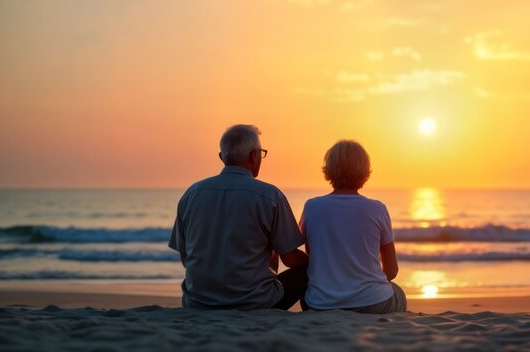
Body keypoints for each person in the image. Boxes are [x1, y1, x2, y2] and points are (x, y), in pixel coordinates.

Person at [169, 124, 309, 310]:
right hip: (255, 303)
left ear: (222, 157)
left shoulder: (191, 194)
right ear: (254, 155)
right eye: (261, 153)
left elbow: (186, 257)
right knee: (307, 272)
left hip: (198, 301)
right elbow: (290, 259)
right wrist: (317, 262)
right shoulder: (270, 196)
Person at [300, 140, 406, 313]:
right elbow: (392, 271)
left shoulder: (312, 207)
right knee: (398, 293)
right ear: (365, 171)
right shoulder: (377, 209)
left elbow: (311, 253)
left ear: (329, 169)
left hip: (321, 304)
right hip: (373, 304)